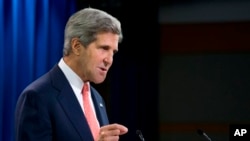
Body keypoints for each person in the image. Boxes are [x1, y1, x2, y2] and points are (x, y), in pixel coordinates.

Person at [15, 7, 128, 141]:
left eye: (113, 52)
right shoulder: (37, 97)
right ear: (76, 46)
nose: (109, 60)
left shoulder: (97, 98)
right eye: (103, 48)